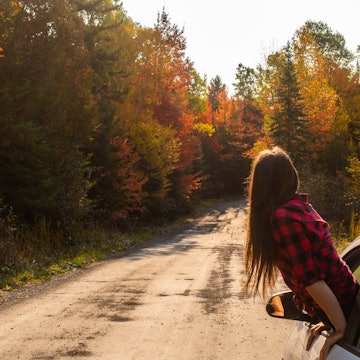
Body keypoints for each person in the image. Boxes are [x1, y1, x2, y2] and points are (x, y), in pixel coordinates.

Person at [243, 146, 359, 360]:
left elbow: (312, 279)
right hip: (347, 300)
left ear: (260, 185)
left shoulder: (283, 217)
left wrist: (341, 327)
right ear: (290, 176)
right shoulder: (300, 206)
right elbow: (325, 267)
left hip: (348, 308)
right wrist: (329, 320)